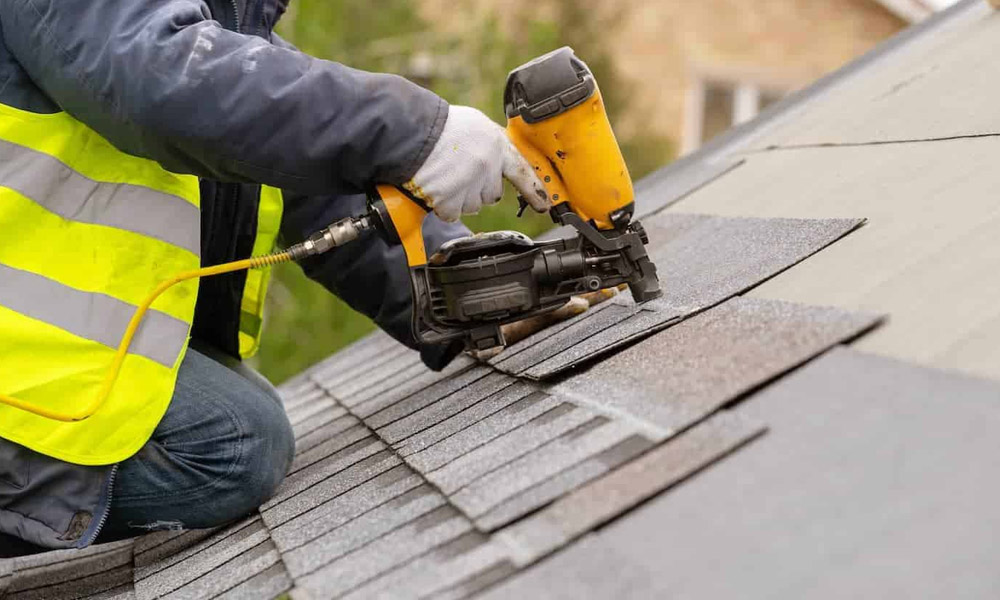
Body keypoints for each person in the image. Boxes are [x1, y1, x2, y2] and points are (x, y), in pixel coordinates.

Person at [0, 0, 552, 554]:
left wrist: (468, 290)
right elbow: (166, 80)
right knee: (232, 443)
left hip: (38, 351)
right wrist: (411, 132)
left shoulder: (215, 29)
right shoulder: (158, 40)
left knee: (238, 417)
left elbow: (309, 185)